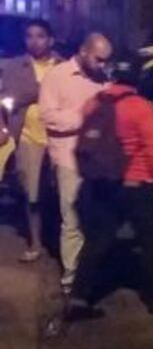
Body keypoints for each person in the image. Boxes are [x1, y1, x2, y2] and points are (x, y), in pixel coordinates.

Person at [65, 57, 153, 320]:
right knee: (150, 242)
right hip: (137, 185)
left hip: (101, 183)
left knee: (97, 242)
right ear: (138, 79)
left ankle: (77, 299)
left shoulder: (94, 103)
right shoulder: (140, 107)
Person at [38, 33, 110, 292]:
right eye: (98, 59)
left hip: (97, 160)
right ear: (83, 50)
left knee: (95, 219)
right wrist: (84, 117)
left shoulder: (102, 79)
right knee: (72, 220)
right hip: (69, 158)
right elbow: (48, 117)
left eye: (106, 61)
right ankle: (72, 278)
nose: (103, 66)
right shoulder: (57, 77)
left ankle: (89, 271)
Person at [0, 19, 61, 263]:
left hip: (59, 137)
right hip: (28, 136)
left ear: (51, 39)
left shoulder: (63, 66)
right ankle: (35, 242)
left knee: (61, 193)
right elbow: (8, 97)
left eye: (40, 36)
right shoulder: (14, 66)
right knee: (32, 193)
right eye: (29, 36)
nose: (34, 41)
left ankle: (57, 241)